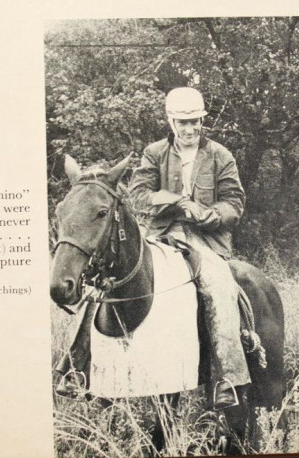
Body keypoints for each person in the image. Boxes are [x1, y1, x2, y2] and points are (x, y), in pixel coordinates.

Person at [128, 87, 249, 410]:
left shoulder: (220, 155)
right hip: (159, 235)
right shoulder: (154, 153)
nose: (190, 128)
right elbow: (138, 195)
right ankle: (76, 366)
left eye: (195, 121)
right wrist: (178, 202)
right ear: (171, 122)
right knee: (111, 278)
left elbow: (234, 202)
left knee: (220, 287)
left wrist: (211, 215)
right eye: (183, 122)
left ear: (202, 121)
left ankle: (227, 379)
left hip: (204, 240)